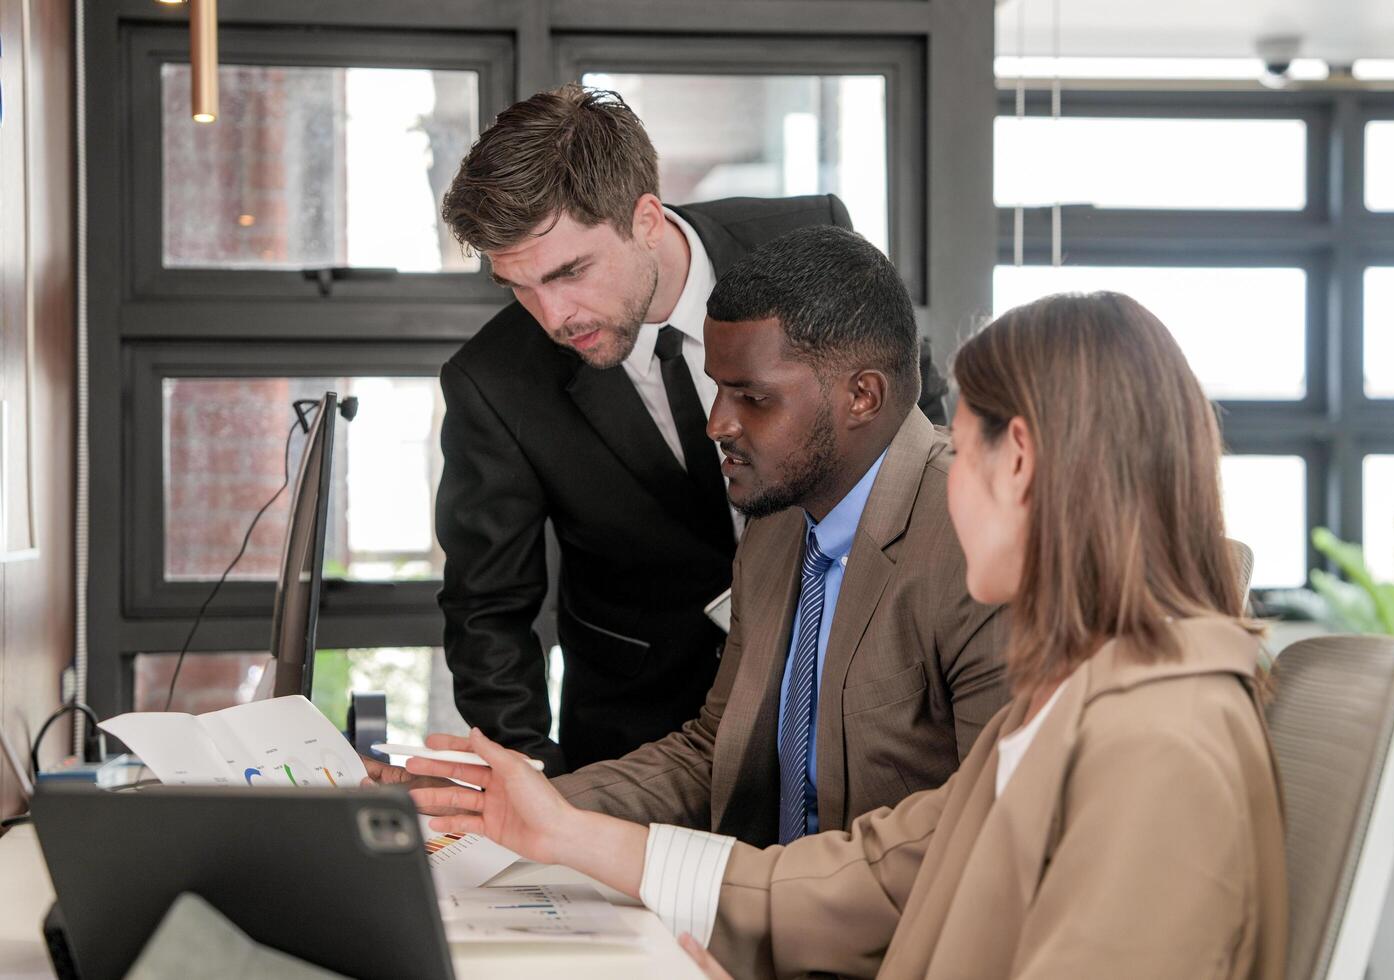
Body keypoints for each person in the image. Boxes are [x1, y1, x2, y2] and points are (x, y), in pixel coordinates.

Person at [407, 291, 1290, 980]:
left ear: (1016, 459)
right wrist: (560, 830)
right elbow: (877, 871)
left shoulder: (1158, 743)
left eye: (964, 448)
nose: (947, 480)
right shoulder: (1081, 700)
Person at [435, 84, 859, 773]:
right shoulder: (494, 380)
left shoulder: (810, 243)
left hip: (844, 703)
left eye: (570, 271)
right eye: (520, 286)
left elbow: (910, 440)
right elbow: (487, 613)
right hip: (637, 741)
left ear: (647, 218)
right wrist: (538, 792)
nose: (553, 316)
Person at [548, 225, 1006, 843]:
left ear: (863, 396)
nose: (716, 424)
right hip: (766, 913)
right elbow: (717, 752)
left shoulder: (977, 541)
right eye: (718, 388)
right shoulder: (777, 528)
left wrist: (731, 887)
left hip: (894, 932)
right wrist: (529, 804)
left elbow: (984, 835)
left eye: (752, 397)